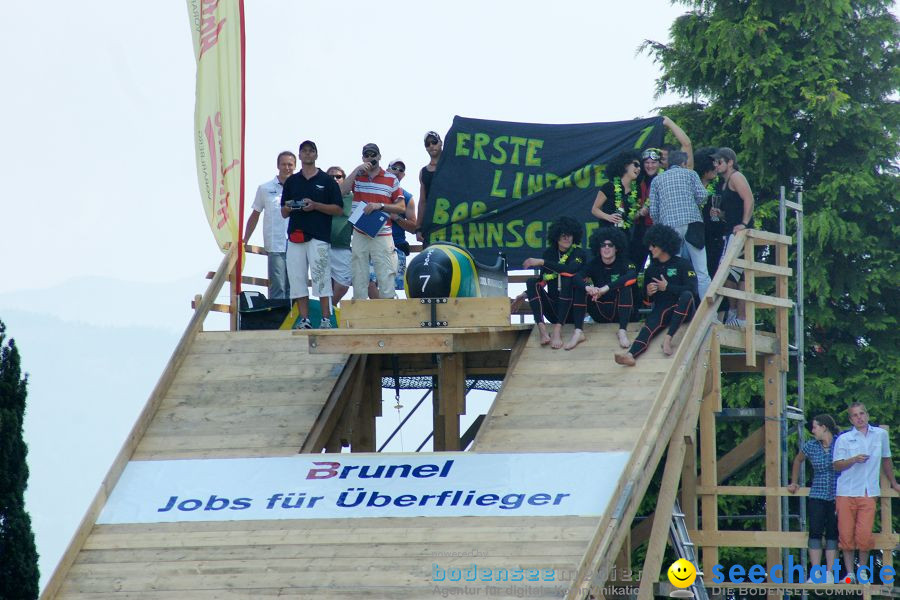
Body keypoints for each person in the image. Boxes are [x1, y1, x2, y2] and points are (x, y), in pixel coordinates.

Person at [832, 402, 900, 583]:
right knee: (845, 535)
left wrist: (893, 482)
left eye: (862, 414)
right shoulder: (844, 439)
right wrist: (853, 460)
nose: (859, 418)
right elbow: (837, 465)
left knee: (864, 535)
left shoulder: (880, 435)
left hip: (868, 491)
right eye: (855, 415)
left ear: (867, 415)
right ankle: (849, 573)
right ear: (850, 419)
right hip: (846, 490)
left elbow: (886, 459)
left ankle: (862, 571)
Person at [280, 141, 343, 329]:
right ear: (299, 155)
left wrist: (315, 205)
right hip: (295, 237)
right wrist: (293, 206)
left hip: (319, 237)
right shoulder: (292, 181)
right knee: (297, 279)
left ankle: (325, 319)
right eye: (304, 151)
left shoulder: (327, 181)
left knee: (322, 278)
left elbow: (338, 209)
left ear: (316, 155)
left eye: (311, 151)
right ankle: (304, 319)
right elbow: (283, 211)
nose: (307, 154)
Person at [615, 225, 698, 366]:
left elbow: (693, 290)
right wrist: (648, 293)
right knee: (649, 326)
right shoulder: (651, 269)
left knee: (686, 295)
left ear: (664, 244)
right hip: (663, 309)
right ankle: (630, 355)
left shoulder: (683, 264)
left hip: (684, 308)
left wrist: (668, 287)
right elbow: (646, 301)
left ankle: (668, 338)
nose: (650, 249)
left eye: (653, 245)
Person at [340, 143, 406, 299]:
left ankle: (388, 312)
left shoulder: (390, 179)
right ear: (363, 157)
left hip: (383, 233)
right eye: (367, 155)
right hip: (360, 232)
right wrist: (357, 170)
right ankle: (360, 312)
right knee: (359, 274)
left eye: (373, 155)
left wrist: (380, 206)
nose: (370, 158)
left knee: (386, 274)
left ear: (379, 157)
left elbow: (401, 206)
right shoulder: (357, 176)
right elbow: (341, 192)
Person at [648, 150, 711, 298]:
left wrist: (660, 229)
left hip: (669, 227)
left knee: (672, 268)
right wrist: (690, 204)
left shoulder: (657, 180)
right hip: (693, 223)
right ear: (683, 163)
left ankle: (676, 306)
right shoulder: (691, 174)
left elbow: (654, 212)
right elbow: (703, 196)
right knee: (701, 270)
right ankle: (708, 314)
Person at [787, 414, 841, 584]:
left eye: (815, 426)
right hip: (817, 493)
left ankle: (830, 573)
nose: (813, 430)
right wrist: (794, 482)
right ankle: (816, 572)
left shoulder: (841, 442)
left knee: (833, 533)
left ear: (824, 427)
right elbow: (798, 460)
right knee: (815, 532)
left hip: (837, 493)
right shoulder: (811, 446)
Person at [523, 217, 587, 350]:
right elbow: (541, 281)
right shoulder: (549, 253)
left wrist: (542, 262)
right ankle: (542, 328)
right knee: (531, 282)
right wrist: (523, 295)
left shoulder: (578, 253)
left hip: (572, 310)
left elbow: (570, 270)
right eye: (563, 235)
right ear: (556, 237)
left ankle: (557, 330)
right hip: (553, 308)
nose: (567, 238)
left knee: (566, 277)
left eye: (569, 235)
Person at [711, 147, 755, 328]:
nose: (716, 165)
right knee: (732, 273)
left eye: (719, 161)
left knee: (734, 271)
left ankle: (741, 316)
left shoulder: (737, 177)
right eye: (715, 162)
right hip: (730, 230)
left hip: (739, 232)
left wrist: (744, 224)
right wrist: (719, 214)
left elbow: (749, 199)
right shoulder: (723, 182)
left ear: (730, 162)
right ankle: (734, 312)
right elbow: (732, 208)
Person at [243, 151, 295, 300]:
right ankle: (277, 321)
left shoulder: (300, 188)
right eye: (284, 164)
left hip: (296, 242)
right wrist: (245, 239)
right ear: (278, 166)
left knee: (295, 286)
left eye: (290, 165)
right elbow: (255, 214)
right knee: (278, 285)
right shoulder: (265, 188)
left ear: (295, 167)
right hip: (275, 244)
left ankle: (294, 321)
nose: (287, 168)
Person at [572, 228, 637, 349]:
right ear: (598, 248)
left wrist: (605, 288)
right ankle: (578, 331)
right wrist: (589, 288)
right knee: (580, 288)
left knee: (625, 286)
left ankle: (622, 331)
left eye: (610, 245)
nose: (606, 248)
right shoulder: (593, 263)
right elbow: (575, 277)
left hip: (619, 312)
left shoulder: (624, 262)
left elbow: (633, 276)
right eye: (603, 245)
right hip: (599, 310)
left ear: (616, 248)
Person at [592, 151, 641, 242]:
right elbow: (595, 209)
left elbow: (633, 214)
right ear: (625, 165)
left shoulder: (637, 191)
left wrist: (639, 213)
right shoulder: (609, 186)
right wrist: (608, 217)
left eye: (639, 166)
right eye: (635, 165)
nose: (638, 168)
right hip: (606, 233)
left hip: (624, 236)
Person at [693, 148, 727, 279]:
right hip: (697, 235)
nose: (715, 168)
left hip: (715, 235)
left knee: (714, 271)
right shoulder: (694, 185)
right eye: (712, 165)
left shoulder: (720, 186)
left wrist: (720, 214)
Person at [387, 159, 416, 291]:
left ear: (403, 175)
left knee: (397, 288)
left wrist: (396, 217)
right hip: (374, 246)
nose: (397, 172)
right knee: (371, 286)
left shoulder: (407, 197)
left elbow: (414, 228)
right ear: (387, 170)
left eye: (401, 170)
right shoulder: (376, 191)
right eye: (394, 168)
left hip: (397, 247)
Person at [325, 166, 353, 304]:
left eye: (338, 176)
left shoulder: (353, 197)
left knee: (343, 285)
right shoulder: (322, 195)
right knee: (325, 285)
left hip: (342, 246)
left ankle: (329, 307)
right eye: (331, 177)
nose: (335, 179)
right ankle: (327, 316)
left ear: (344, 179)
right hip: (321, 244)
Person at [415, 131, 442, 243]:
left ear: (440, 143)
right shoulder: (424, 172)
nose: (431, 146)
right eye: (428, 144)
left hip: (453, 219)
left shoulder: (452, 164)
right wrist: (418, 228)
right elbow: (422, 201)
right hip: (431, 222)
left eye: (434, 142)